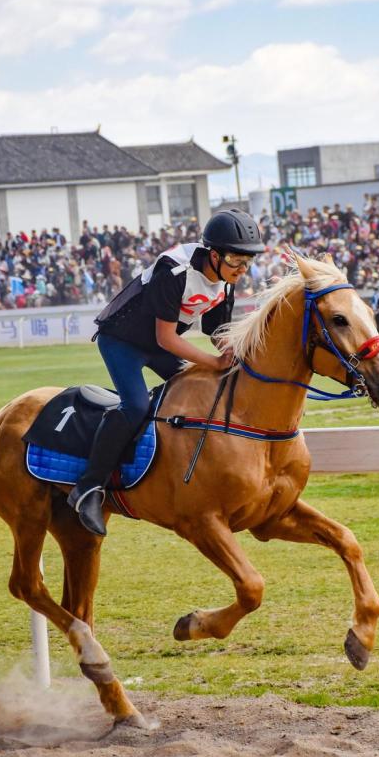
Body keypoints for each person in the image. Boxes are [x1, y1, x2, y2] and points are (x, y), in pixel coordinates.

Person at [68, 208, 265, 536]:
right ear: (213, 255)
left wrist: (233, 351)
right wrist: (214, 362)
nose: (242, 270)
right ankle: (88, 487)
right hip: (122, 340)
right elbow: (166, 337)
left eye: (248, 262)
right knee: (135, 407)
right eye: (236, 261)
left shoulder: (226, 280)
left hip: (159, 344)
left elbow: (217, 331)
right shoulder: (174, 270)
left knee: (205, 392)